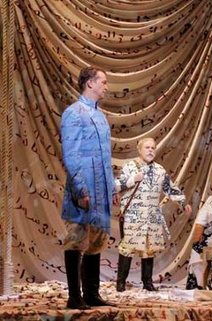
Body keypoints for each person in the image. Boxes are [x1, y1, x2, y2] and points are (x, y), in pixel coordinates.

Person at [60, 66, 118, 309]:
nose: (106, 86)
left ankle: (91, 293)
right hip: (84, 186)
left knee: (96, 240)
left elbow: (106, 156)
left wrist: (112, 188)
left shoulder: (100, 116)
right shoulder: (73, 113)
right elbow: (71, 155)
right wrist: (81, 189)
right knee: (77, 239)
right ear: (90, 83)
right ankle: (75, 297)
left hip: (101, 187)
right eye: (103, 81)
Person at [115, 137, 192, 292]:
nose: (151, 150)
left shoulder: (160, 170)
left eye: (153, 148)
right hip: (134, 215)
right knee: (128, 248)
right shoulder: (130, 166)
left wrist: (183, 202)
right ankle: (121, 282)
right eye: (147, 147)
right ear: (140, 149)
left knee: (149, 248)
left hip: (151, 216)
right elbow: (116, 186)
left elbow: (170, 189)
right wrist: (133, 179)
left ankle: (147, 282)